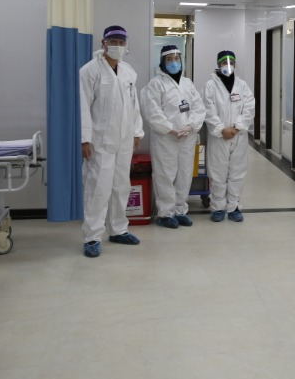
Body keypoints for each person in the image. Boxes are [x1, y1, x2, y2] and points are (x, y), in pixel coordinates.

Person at [79, 25, 145, 258]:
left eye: (121, 42)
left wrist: (137, 132)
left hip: (124, 140)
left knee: (121, 186)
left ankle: (118, 229)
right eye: (113, 41)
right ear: (103, 43)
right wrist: (85, 139)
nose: (117, 46)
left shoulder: (128, 71)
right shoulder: (89, 70)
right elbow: (82, 106)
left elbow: (134, 105)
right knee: (98, 188)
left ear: (126, 45)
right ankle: (92, 237)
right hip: (100, 141)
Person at [140, 44, 206, 229]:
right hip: (166, 138)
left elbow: (199, 108)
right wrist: (171, 129)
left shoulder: (187, 83)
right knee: (165, 175)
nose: (174, 63)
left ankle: (180, 210)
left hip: (187, 137)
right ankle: (165, 213)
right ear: (162, 62)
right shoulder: (156, 84)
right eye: (169, 59)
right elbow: (152, 112)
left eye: (177, 59)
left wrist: (191, 125)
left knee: (185, 174)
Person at [203, 50, 255, 223]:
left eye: (231, 62)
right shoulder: (210, 86)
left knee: (237, 172)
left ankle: (233, 207)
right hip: (219, 137)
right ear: (218, 65)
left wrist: (236, 127)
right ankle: (218, 207)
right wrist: (221, 129)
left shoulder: (242, 85)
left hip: (238, 136)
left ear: (235, 64)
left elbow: (249, 108)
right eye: (224, 63)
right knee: (217, 173)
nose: (228, 66)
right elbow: (208, 110)